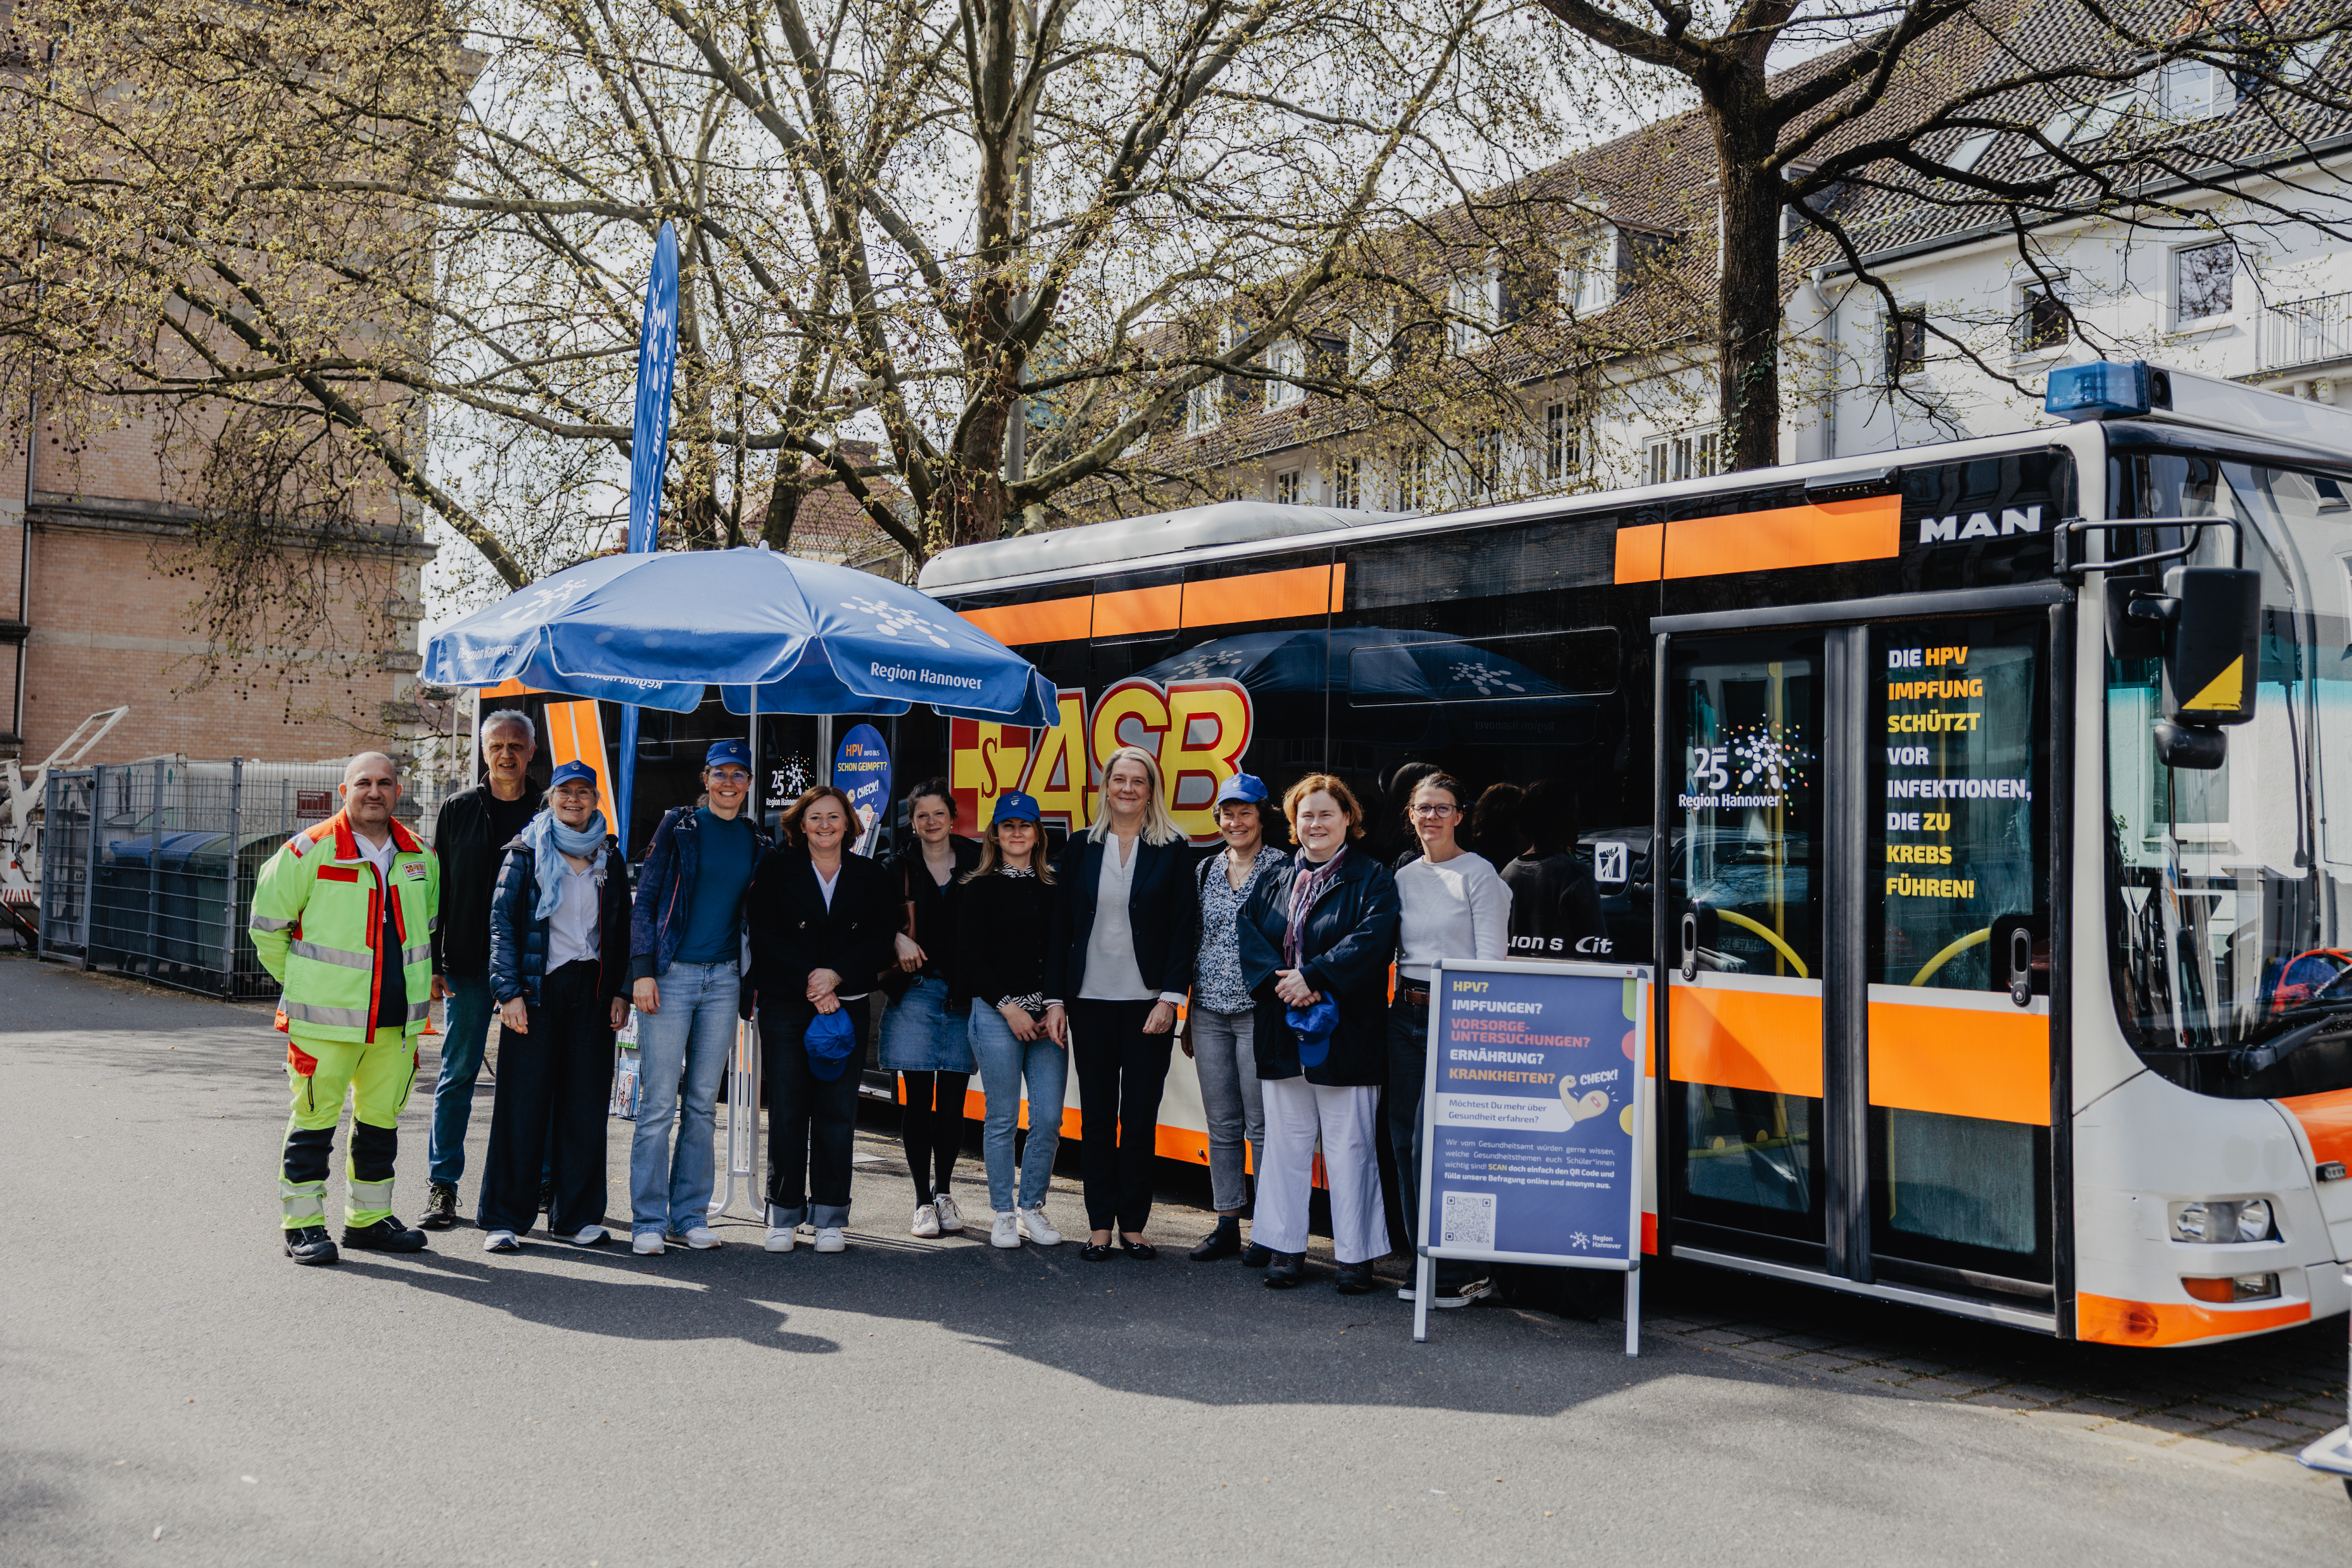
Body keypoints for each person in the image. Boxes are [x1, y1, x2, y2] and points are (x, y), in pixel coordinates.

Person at [248, 752, 439, 1265]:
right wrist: (305, 986)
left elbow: (427, 927)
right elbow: (267, 931)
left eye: (384, 783)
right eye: (363, 783)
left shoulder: (421, 856)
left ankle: (369, 1220)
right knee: (314, 1123)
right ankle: (303, 1225)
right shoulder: (304, 853)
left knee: (380, 1126)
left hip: (397, 1026)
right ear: (343, 791)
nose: (374, 792)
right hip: (324, 1025)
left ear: (398, 791)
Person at [1237, 774, 1399, 1292]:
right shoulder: (1274, 879)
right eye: (1306, 815)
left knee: (1350, 1145)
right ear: (1293, 824)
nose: (1316, 824)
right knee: (1285, 1144)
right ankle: (1285, 1248)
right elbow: (1249, 938)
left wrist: (1316, 976)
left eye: (1327, 814)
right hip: (1284, 1029)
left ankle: (1356, 1256)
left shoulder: (1373, 877)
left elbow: (1373, 941)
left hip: (1348, 1031)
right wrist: (1288, 985)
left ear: (1348, 818)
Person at [1043, 745, 1200, 1261]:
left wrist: (1171, 999)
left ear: (1152, 790)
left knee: (1138, 1119)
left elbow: (1184, 929)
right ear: (1106, 787)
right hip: (1088, 1002)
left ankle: (1133, 1224)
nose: (1128, 789)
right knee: (1095, 1120)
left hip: (1147, 1005)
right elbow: (1060, 927)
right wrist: (1056, 1000)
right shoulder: (1081, 848)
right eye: (1119, 780)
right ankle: (1098, 1228)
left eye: (1139, 781)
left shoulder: (1174, 847)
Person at [478, 762, 633, 1253]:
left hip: (591, 991)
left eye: (584, 792)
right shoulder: (525, 852)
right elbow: (502, 926)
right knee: (522, 1107)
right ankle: (506, 1218)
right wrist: (508, 993)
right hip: (535, 991)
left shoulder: (609, 853)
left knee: (585, 1108)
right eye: (566, 791)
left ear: (595, 801)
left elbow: (623, 930)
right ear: (551, 798)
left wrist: (621, 990)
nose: (574, 800)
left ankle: (577, 1217)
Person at [627, 739, 770, 1256]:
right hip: (672, 977)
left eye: (740, 775)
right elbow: (645, 903)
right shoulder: (679, 827)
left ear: (750, 784)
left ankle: (689, 1215)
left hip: (724, 980)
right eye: (721, 774)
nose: (730, 783)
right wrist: (642, 972)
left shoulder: (756, 840)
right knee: (659, 1104)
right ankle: (647, 1220)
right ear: (706, 779)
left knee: (703, 1104)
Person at [747, 784, 897, 1254]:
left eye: (835, 817)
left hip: (845, 1000)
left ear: (850, 823)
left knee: (837, 1111)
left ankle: (830, 1215)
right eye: (816, 818)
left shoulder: (871, 874)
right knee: (789, 1109)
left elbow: (879, 939)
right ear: (800, 824)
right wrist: (812, 983)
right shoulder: (775, 868)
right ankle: (784, 1214)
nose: (826, 825)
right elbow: (765, 934)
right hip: (788, 1003)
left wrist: (835, 976)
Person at [1389, 772, 1512, 1308]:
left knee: (1445, 1150)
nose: (1432, 817)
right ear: (1411, 815)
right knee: (1402, 1144)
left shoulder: (1479, 875)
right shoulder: (1404, 874)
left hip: (1458, 1015)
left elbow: (1492, 963)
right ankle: (1426, 1263)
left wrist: (1470, 1028)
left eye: (1444, 808)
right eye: (1423, 808)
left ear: (1461, 816)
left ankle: (1466, 1272)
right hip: (1405, 1015)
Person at [423, 709, 542, 1230]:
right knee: (458, 1075)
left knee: (532, 1081)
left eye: (516, 746)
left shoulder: (548, 810)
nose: (507, 755)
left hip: (533, 968)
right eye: (497, 746)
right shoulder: (457, 809)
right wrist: (431, 958)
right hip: (468, 965)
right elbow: (436, 890)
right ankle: (442, 1186)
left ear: (531, 752)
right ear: (484, 750)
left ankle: (534, 1184)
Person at [951, 792, 1065, 1250]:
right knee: (1001, 1118)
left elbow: (1062, 950)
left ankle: (1031, 1207)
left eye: (1026, 825)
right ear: (995, 835)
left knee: (1050, 1118)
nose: (1017, 833)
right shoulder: (978, 887)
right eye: (1007, 826)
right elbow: (970, 958)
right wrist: (1010, 1007)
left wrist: (1051, 1005)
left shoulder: (1056, 885)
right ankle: (1002, 1211)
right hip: (999, 1015)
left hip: (1048, 1016)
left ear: (1038, 834)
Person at [1181, 773, 1286, 1264]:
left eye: (1245, 812)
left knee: (1261, 1125)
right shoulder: (1204, 870)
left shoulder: (1283, 869)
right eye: (1227, 812)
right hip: (1207, 1012)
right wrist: (1186, 1012)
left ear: (1262, 815)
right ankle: (1227, 1222)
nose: (1235, 821)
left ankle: (1267, 1228)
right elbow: (1195, 941)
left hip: (1258, 1013)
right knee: (1221, 1123)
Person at [880, 780, 981, 1238]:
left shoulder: (980, 863)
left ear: (952, 817)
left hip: (964, 996)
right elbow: (869, 919)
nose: (931, 822)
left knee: (954, 1103)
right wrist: (895, 936)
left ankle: (945, 1192)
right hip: (917, 992)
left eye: (939, 813)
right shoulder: (896, 867)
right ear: (913, 821)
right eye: (922, 815)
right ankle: (921, 1200)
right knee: (918, 1101)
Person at [1502, 780, 1608, 960]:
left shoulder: (1507, 875)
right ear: (1556, 820)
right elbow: (1599, 950)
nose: (1581, 820)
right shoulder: (1575, 876)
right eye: (1574, 813)